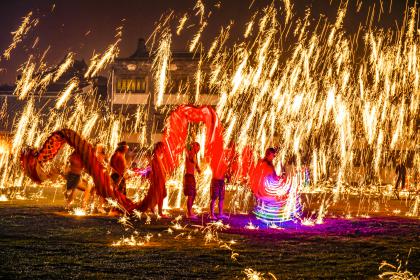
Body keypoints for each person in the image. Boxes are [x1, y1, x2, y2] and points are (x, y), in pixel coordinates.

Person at [139, 142, 168, 217]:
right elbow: (152, 166)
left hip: (160, 177)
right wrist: (153, 175)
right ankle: (159, 212)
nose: (163, 149)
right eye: (163, 147)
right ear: (159, 147)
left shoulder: (158, 155)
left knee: (160, 194)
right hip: (158, 178)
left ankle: (152, 207)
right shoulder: (154, 155)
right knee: (160, 194)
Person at [209, 148, 234, 220]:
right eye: (223, 152)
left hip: (222, 182)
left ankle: (220, 213)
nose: (225, 154)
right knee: (213, 198)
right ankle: (212, 214)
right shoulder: (215, 161)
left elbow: (226, 174)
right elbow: (214, 168)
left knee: (221, 198)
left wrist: (228, 176)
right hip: (215, 181)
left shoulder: (225, 162)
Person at [184, 142, 201, 219]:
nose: (198, 150)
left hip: (192, 176)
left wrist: (198, 169)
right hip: (188, 176)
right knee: (190, 195)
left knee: (193, 194)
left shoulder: (194, 155)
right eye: (198, 148)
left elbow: (196, 164)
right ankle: (189, 213)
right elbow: (190, 158)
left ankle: (190, 211)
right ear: (194, 147)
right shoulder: (189, 153)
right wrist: (191, 148)